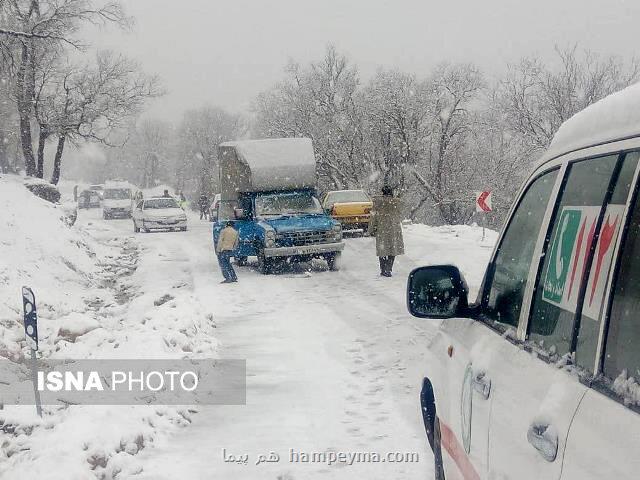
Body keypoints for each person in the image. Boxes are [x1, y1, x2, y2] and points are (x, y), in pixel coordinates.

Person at [367, 185, 404, 277]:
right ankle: (389, 268)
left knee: (382, 250)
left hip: (381, 228)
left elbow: (373, 217)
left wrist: (371, 229)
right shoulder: (397, 203)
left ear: (382, 192)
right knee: (392, 249)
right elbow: (400, 215)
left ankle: (383, 269)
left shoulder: (377, 203)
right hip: (394, 229)